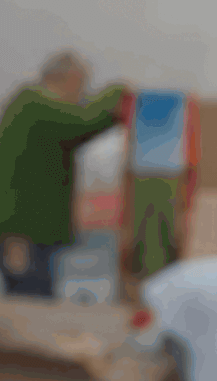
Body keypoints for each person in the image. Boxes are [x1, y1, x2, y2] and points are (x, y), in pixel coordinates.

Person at [0, 51, 127, 297]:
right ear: (69, 80)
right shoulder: (35, 106)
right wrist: (118, 94)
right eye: (81, 87)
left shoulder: (28, 107)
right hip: (22, 233)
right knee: (31, 300)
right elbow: (86, 120)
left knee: (31, 297)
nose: (81, 96)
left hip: (25, 233)